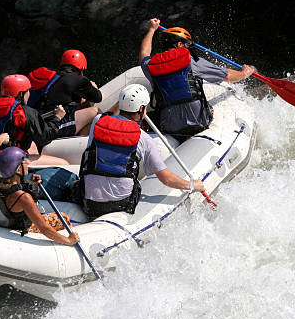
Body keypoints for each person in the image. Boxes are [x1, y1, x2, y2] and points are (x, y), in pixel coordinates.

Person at [79, 83, 205, 220]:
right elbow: (166, 179)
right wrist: (192, 185)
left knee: (76, 184)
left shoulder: (98, 121)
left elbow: (109, 119)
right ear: (141, 109)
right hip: (120, 204)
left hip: (89, 203)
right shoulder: (144, 138)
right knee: (136, 184)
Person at [140, 18, 256, 138]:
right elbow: (227, 76)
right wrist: (244, 73)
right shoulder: (192, 61)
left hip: (169, 126)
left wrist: (151, 30)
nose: (189, 49)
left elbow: (144, 53)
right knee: (209, 108)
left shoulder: (152, 65)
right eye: (187, 45)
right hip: (198, 122)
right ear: (179, 44)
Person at [0, 147, 80, 246]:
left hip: (1, 223)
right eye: (25, 163)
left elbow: (14, 187)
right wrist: (68, 240)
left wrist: (31, 183)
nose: (27, 164)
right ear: (18, 169)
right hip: (19, 228)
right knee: (63, 218)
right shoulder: (23, 198)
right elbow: (44, 228)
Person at [0, 74, 69, 175]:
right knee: (64, 163)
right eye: (28, 91)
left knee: (32, 145)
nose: (29, 94)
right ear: (21, 94)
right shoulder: (24, 112)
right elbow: (45, 138)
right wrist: (57, 118)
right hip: (8, 165)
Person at [27, 49, 101, 136]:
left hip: (33, 123)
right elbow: (98, 97)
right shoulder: (79, 80)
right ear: (82, 69)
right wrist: (93, 87)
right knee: (95, 112)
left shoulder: (52, 76)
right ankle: (80, 146)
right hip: (50, 127)